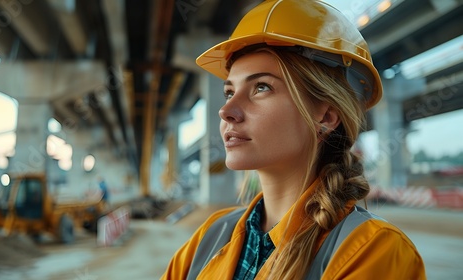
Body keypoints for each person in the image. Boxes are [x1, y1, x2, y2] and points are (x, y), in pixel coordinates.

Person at [162, 0, 426, 279]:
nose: (226, 111)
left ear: (325, 117)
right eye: (229, 92)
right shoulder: (209, 236)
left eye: (261, 87)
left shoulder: (375, 251)